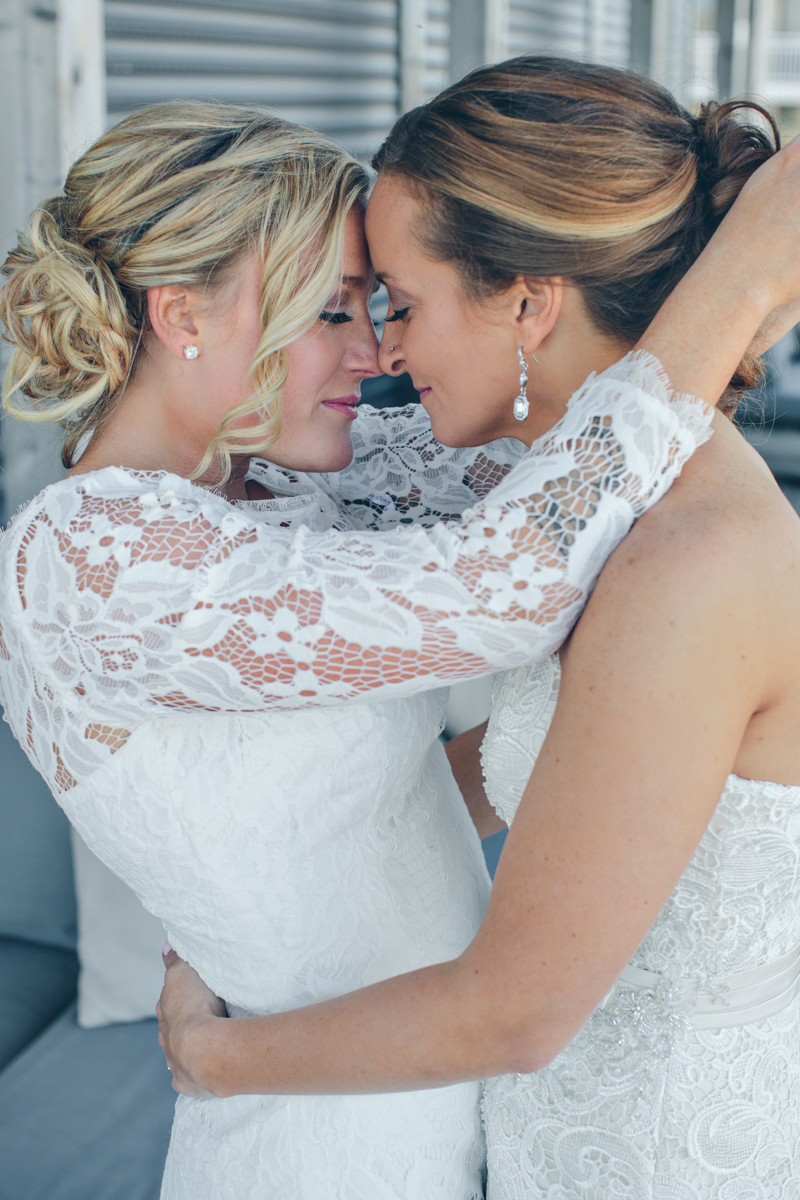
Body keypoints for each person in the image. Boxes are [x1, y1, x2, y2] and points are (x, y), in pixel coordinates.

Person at [153, 61, 800, 1198]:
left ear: (527, 302)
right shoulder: (596, 508)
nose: (382, 349)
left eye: (398, 301)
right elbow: (554, 778)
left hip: (650, 1163)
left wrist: (217, 1057)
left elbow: (515, 1011)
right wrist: (253, 903)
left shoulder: (685, 569)